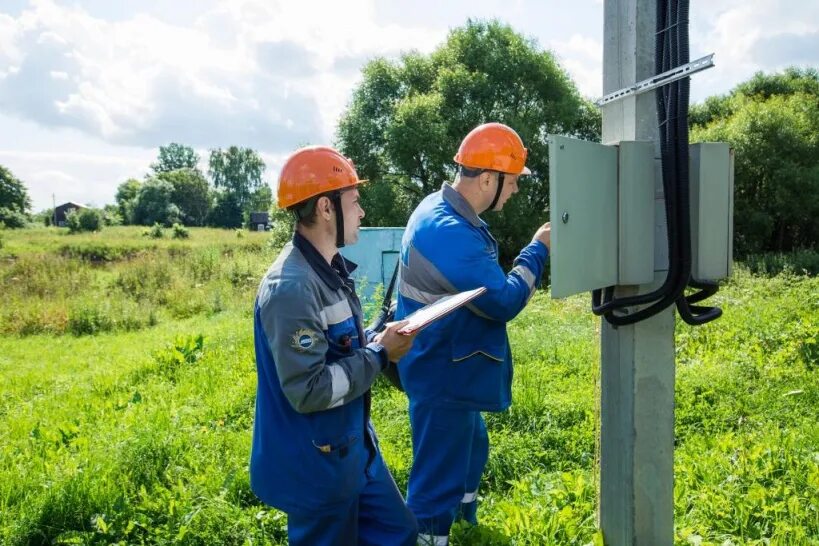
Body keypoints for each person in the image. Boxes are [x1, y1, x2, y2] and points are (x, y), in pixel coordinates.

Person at [250, 145, 418, 545]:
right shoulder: (291, 288)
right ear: (326, 208)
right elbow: (309, 390)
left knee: (399, 534)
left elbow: (340, 351)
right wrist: (380, 354)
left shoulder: (327, 270)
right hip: (315, 466)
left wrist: (378, 337)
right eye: (355, 202)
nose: (361, 212)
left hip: (353, 449)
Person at [395, 123, 551, 545]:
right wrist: (537, 250)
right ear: (487, 178)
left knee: (471, 447)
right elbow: (502, 301)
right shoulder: (450, 232)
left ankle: (465, 521)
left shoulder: (437, 207)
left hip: (444, 359)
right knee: (436, 477)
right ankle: (431, 536)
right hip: (440, 368)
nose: (516, 190)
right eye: (513, 181)